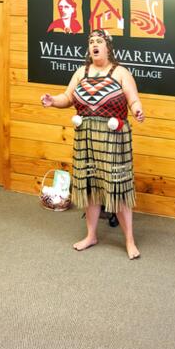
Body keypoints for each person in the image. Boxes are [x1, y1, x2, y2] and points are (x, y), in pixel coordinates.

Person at [40, 29, 145, 259]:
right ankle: (91, 235)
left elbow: (133, 99)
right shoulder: (81, 72)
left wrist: (137, 110)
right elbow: (68, 98)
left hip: (113, 138)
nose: (94, 45)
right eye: (91, 42)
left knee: (119, 189)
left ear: (108, 47)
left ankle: (129, 241)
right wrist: (53, 100)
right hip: (86, 136)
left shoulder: (121, 73)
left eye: (99, 41)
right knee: (90, 188)